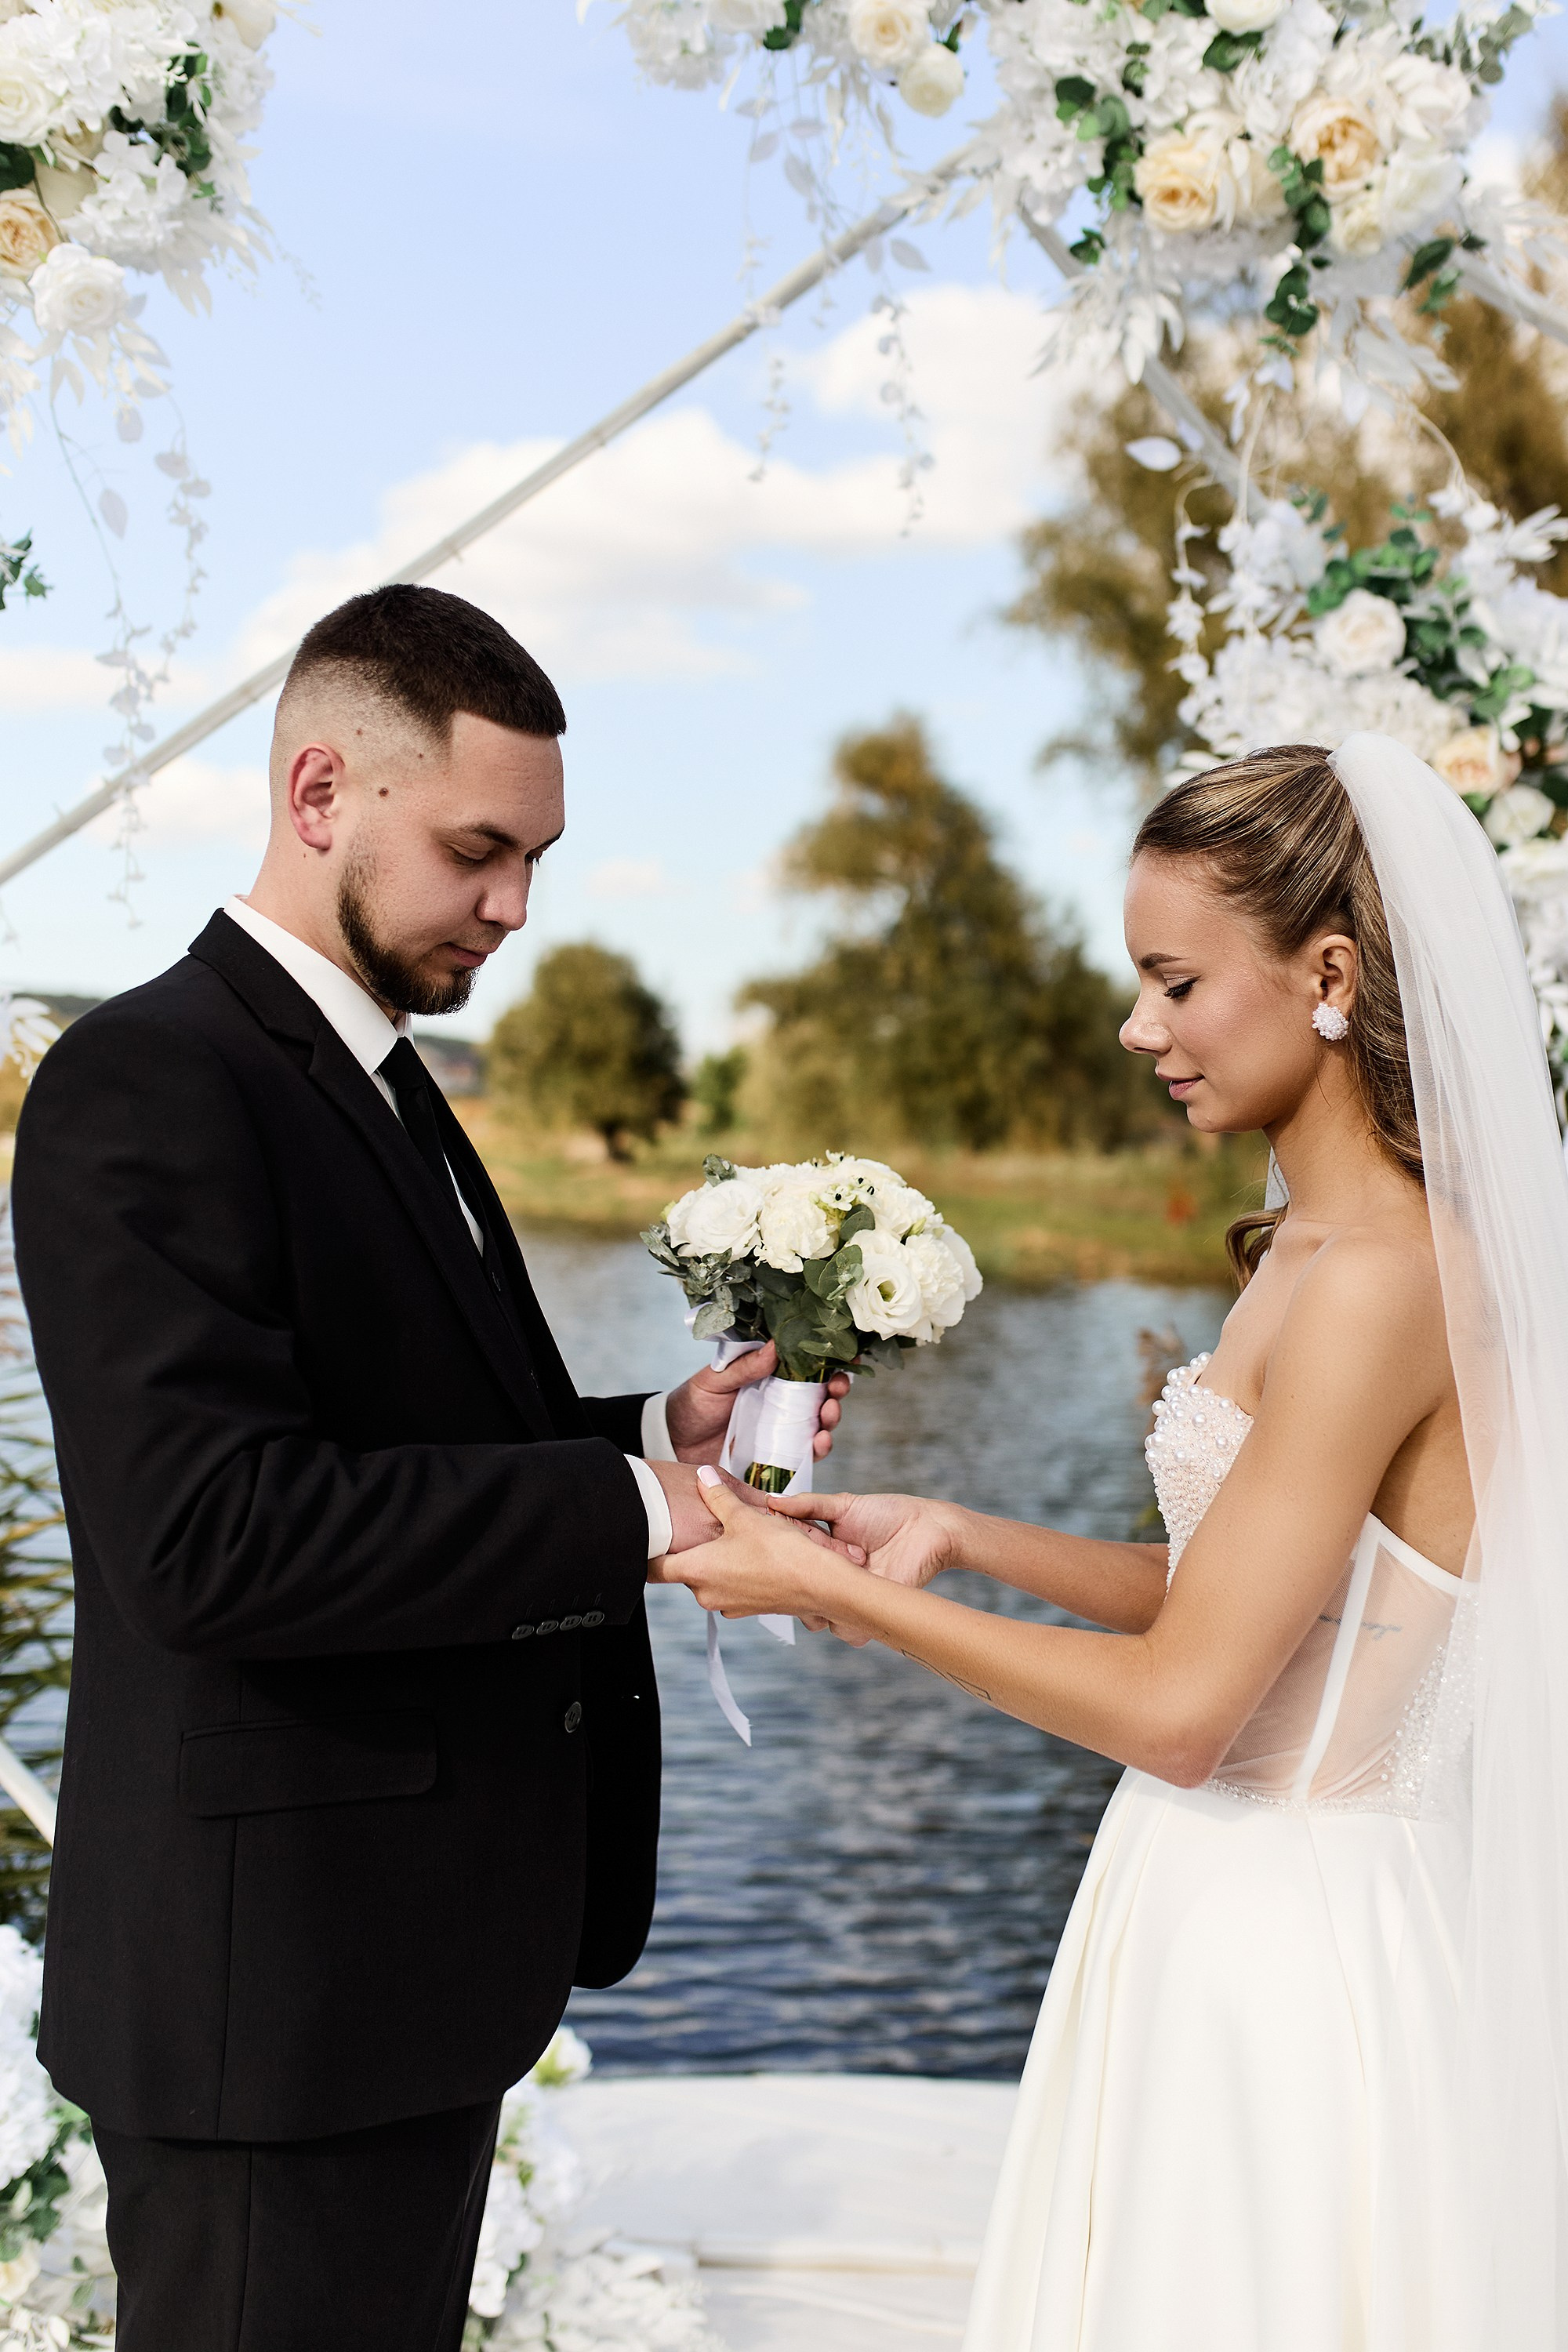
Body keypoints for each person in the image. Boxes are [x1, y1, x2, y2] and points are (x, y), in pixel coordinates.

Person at [10, 583, 849, 2352]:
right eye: (481, 850)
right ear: (322, 795)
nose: (515, 909)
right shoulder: (148, 1082)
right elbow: (212, 1538)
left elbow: (402, 1425)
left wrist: (646, 1434)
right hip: (271, 2003)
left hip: (390, 1981)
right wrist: (636, 1515)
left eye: (536, 858)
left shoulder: (381, 1077)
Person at [658, 735, 1568, 2349]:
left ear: (1329, 972)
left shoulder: (1378, 1278)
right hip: (1197, 1902)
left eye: (1172, 981)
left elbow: (1183, 1708)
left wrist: (809, 1585)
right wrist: (951, 1536)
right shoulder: (1305, 1244)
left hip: (1296, 1953)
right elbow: (1235, 1599)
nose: (1136, 1027)